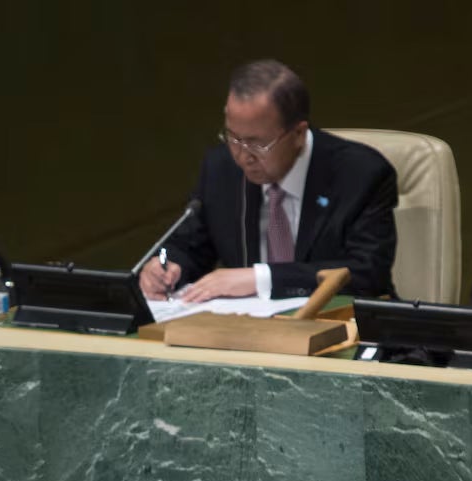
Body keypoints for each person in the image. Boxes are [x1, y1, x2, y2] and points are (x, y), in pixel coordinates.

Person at [138, 59, 398, 302]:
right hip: (248, 332)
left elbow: (367, 274)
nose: (242, 156)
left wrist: (262, 278)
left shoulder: (360, 174)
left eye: (257, 143)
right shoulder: (221, 168)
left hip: (338, 326)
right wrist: (164, 264)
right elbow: (186, 245)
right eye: (232, 137)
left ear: (298, 133)